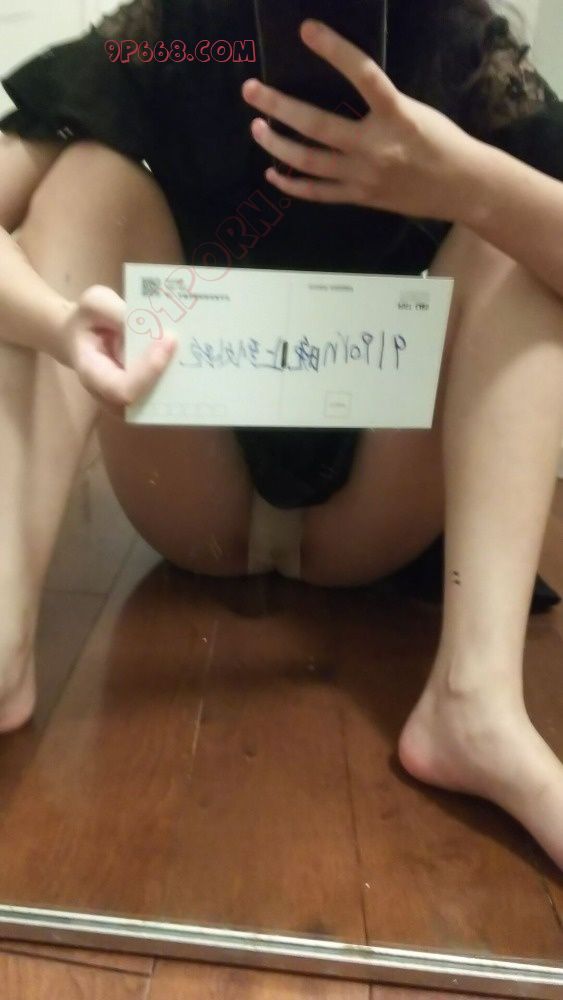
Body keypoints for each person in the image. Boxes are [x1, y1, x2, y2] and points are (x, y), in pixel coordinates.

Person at [0, 0, 562, 870]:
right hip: (192, 478)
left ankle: (475, 701)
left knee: (521, 232)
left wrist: (470, 184)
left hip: (378, 495)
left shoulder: (461, 55)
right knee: (89, 180)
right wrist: (55, 322)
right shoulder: (173, 38)